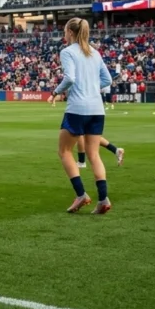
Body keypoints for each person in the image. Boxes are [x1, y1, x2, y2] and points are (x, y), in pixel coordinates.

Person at [49, 18, 113, 214]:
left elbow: (70, 78)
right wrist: (93, 88)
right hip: (97, 108)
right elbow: (108, 80)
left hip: (77, 108)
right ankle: (103, 199)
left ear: (70, 32)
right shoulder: (95, 52)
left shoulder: (67, 52)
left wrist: (55, 93)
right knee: (94, 155)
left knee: (64, 152)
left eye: (65, 31)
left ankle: (81, 195)